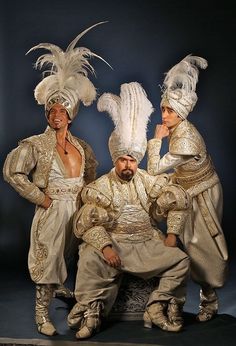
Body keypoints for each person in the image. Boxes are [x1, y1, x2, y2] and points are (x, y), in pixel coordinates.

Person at [3, 22, 111, 336]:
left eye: (61, 111)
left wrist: (91, 200)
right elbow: (13, 172)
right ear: (47, 115)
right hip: (52, 208)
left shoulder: (82, 147)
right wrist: (42, 198)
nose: (56, 115)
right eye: (52, 112)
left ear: (71, 114)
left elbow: (90, 175)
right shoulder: (35, 145)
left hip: (78, 207)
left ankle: (69, 290)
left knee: (76, 253)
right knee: (48, 259)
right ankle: (42, 314)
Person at [67, 82, 191, 339]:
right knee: (89, 259)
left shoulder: (147, 180)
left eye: (132, 160)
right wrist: (105, 247)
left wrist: (172, 235)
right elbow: (88, 221)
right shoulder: (101, 185)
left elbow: (176, 200)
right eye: (123, 159)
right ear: (115, 160)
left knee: (181, 260)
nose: (128, 165)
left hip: (147, 241)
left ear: (137, 161)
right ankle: (94, 312)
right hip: (115, 242)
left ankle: (157, 305)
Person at [147, 55, 228, 322]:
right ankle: (173, 297)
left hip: (202, 193)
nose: (165, 115)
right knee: (181, 243)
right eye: (163, 109)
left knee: (201, 246)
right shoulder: (180, 131)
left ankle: (209, 300)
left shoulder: (186, 138)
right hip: (187, 189)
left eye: (170, 111)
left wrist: (156, 140)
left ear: (181, 113)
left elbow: (155, 168)